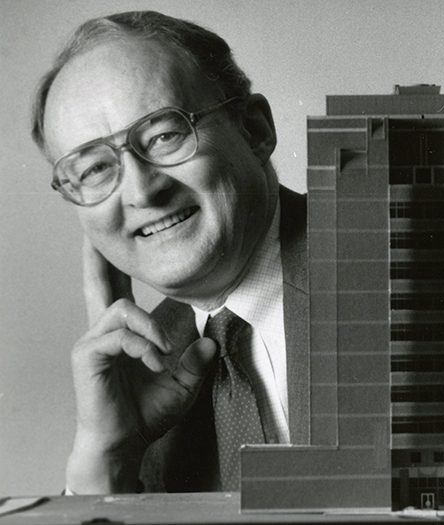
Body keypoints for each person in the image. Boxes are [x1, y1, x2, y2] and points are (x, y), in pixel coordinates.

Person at [30, 11, 308, 494]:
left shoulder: (395, 269)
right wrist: (106, 458)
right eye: (95, 169)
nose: (141, 192)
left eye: (163, 136)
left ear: (254, 130)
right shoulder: (142, 378)